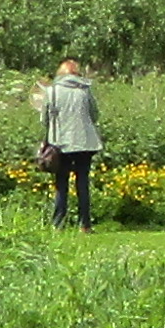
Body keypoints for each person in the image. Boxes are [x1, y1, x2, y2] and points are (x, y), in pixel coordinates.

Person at [35, 57, 106, 228]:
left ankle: (59, 223)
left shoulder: (52, 92)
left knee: (61, 183)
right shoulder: (85, 90)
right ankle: (85, 224)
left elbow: (44, 120)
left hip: (60, 143)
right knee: (82, 183)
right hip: (86, 143)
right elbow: (95, 115)